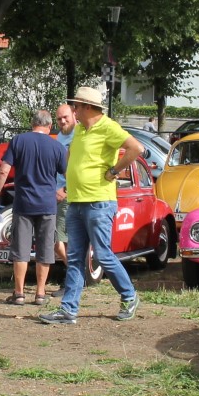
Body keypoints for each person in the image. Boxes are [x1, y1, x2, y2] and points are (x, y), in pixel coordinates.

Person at [40, 85, 144, 325]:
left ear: (87, 107)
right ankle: (68, 310)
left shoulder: (108, 127)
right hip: (76, 200)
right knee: (75, 257)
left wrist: (114, 170)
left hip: (98, 202)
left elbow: (136, 148)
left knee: (104, 255)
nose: (73, 109)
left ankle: (129, 296)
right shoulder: (81, 131)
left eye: (76, 105)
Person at [0, 108, 70, 306]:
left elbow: (3, 171)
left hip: (23, 204)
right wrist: (65, 191)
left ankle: (19, 293)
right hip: (48, 205)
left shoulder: (18, 141)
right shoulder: (57, 146)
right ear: (50, 126)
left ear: (32, 123)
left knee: (21, 250)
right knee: (45, 250)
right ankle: (40, 293)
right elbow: (70, 174)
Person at [53, 102, 76, 265]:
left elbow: (81, 168)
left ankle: (73, 276)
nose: (62, 121)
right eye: (59, 119)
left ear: (74, 114)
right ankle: (74, 274)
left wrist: (66, 190)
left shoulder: (79, 135)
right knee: (54, 238)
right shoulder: (61, 135)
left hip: (68, 194)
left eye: (65, 117)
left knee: (63, 239)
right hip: (55, 193)